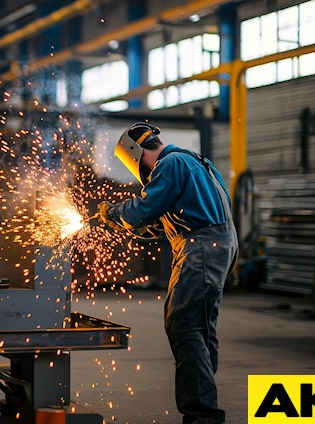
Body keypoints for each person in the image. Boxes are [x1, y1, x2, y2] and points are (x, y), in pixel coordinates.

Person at [96, 122, 238, 424]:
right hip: (220, 246)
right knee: (200, 327)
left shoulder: (169, 164)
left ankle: (202, 414)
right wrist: (124, 223)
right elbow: (159, 222)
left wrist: (113, 213)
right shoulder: (196, 161)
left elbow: (142, 210)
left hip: (201, 249)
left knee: (183, 326)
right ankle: (203, 397)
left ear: (137, 154)